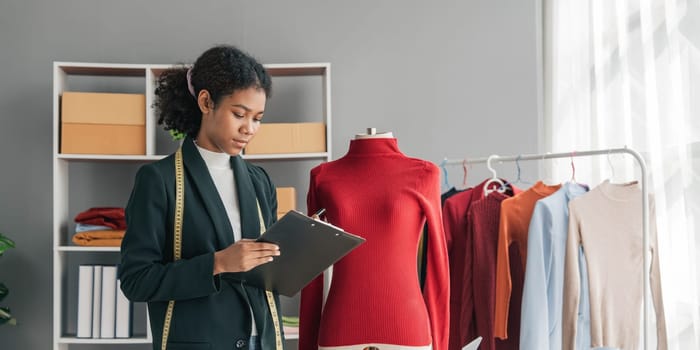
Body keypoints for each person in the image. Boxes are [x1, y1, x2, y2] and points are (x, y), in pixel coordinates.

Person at [118, 45, 284, 350]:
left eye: (258, 118)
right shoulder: (159, 180)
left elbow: (265, 272)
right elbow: (135, 280)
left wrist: (301, 247)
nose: (249, 129)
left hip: (262, 341)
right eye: (239, 114)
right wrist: (217, 263)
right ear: (206, 102)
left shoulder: (260, 181)